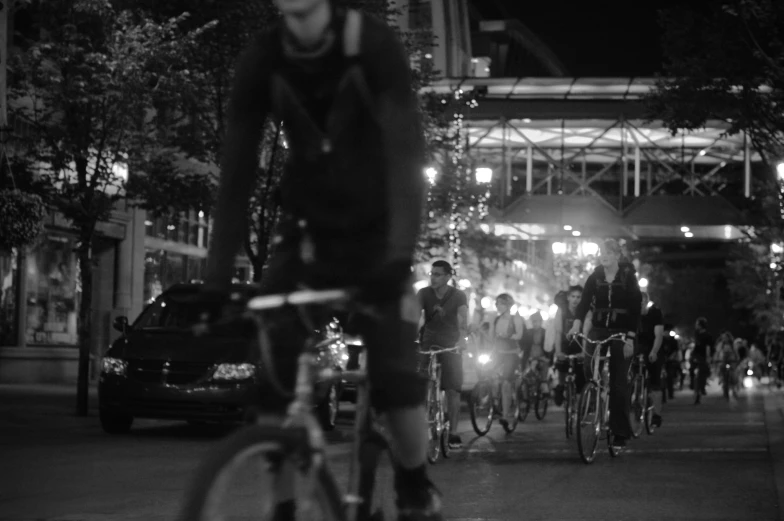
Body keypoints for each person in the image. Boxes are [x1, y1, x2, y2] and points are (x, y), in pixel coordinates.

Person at [200, 0, 441, 518]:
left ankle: (416, 488)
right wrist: (215, 281)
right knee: (272, 379)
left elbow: (406, 154)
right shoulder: (263, 56)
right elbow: (237, 171)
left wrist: (398, 259)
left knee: (396, 380)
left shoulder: (372, 44)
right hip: (306, 235)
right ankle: (285, 506)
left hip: (378, 239)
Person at [568, 238, 641, 451]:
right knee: (589, 365)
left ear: (617, 255)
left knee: (619, 384)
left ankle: (619, 433)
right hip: (599, 328)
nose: (604, 256)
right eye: (601, 252)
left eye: (608, 252)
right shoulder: (595, 276)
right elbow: (583, 304)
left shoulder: (628, 276)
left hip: (621, 331)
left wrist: (630, 338)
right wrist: (576, 325)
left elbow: (635, 308)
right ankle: (595, 393)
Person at [417, 260, 468, 450]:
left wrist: (462, 337)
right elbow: (415, 315)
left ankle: (453, 432)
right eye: (432, 273)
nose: (433, 277)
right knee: (420, 381)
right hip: (428, 342)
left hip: (451, 344)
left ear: (448, 277)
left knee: (452, 389)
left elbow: (463, 318)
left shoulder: (458, 295)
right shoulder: (423, 293)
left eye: (438, 274)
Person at [491, 293, 525, 426]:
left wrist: (508, 335)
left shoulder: (515, 318)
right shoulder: (496, 319)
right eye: (497, 303)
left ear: (508, 305)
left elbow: (519, 335)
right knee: (488, 375)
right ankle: (493, 403)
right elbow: (491, 337)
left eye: (501, 303)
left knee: (506, 383)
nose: (498, 306)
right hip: (498, 353)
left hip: (511, 354)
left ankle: (505, 415)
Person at [553, 285, 586, 406]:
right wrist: (558, 351)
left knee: (581, 372)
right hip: (564, 343)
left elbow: (586, 332)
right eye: (573, 296)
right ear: (568, 297)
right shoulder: (562, 310)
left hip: (579, 343)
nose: (575, 300)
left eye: (578, 297)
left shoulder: (584, 311)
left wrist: (584, 352)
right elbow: (558, 332)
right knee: (561, 366)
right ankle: (560, 387)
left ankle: (579, 401)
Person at [639, 292, 664, 428]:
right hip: (637, 346)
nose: (640, 305)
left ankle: (657, 415)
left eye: (642, 302)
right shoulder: (632, 313)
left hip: (653, 346)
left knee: (655, 382)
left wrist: (654, 351)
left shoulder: (655, 313)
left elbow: (658, 335)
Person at [521, 312, 551, 398]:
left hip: (542, 357)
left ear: (541, 322)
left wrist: (547, 357)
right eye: (533, 321)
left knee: (544, 367)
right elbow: (524, 345)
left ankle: (544, 385)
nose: (535, 323)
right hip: (530, 357)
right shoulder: (528, 333)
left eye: (537, 321)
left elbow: (549, 347)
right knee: (525, 375)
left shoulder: (545, 333)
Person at [692, 317, 713, 404]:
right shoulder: (697, 334)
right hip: (696, 357)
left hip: (702, 357)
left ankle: (701, 389)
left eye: (697, 324)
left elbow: (708, 347)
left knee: (702, 375)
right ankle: (697, 389)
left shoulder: (707, 336)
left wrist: (707, 357)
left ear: (700, 325)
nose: (695, 326)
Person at [661, 324, 681, 399]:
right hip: (662, 361)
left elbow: (676, 350)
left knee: (670, 378)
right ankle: (663, 397)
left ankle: (670, 394)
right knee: (662, 379)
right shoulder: (661, 340)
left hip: (671, 362)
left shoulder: (673, 341)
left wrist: (670, 357)